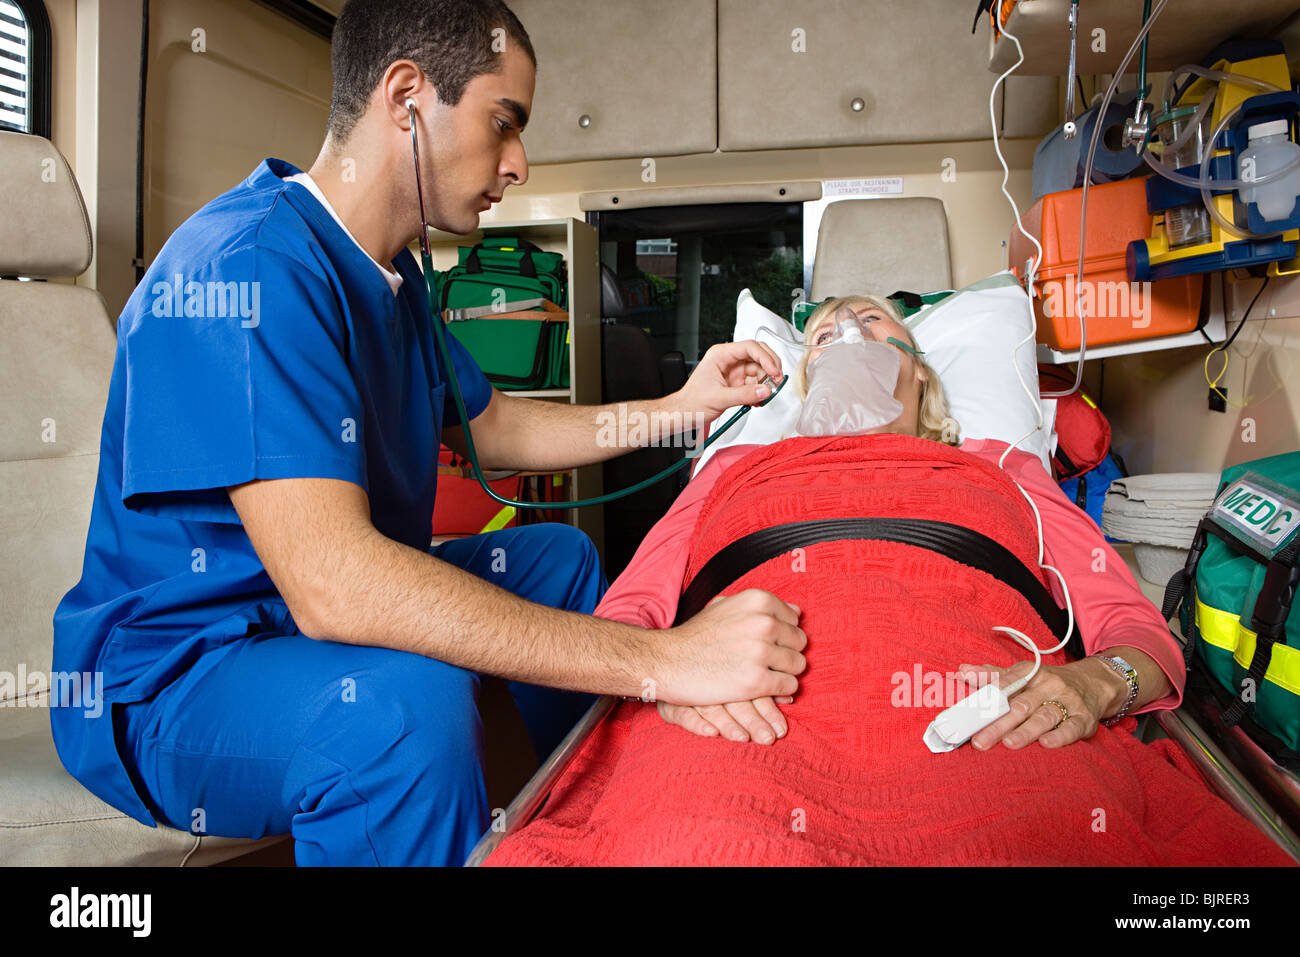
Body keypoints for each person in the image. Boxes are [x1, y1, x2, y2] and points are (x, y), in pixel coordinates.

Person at [50, 0, 805, 867]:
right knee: (399, 713)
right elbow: (337, 587)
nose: (518, 162)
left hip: (301, 625)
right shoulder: (247, 268)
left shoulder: (395, 276)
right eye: (503, 123)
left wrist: (680, 407)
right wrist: (662, 660)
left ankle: (584, 830)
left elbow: (495, 423)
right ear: (406, 95)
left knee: (555, 561)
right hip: (182, 675)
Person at [485, 294, 1295, 866]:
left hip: (984, 715)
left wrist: (1096, 683)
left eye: (873, 322)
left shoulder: (1003, 467)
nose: (846, 331)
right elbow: (628, 617)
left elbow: (1139, 633)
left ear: (922, 377)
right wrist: (667, 670)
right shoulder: (734, 467)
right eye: (828, 331)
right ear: (803, 384)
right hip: (739, 717)